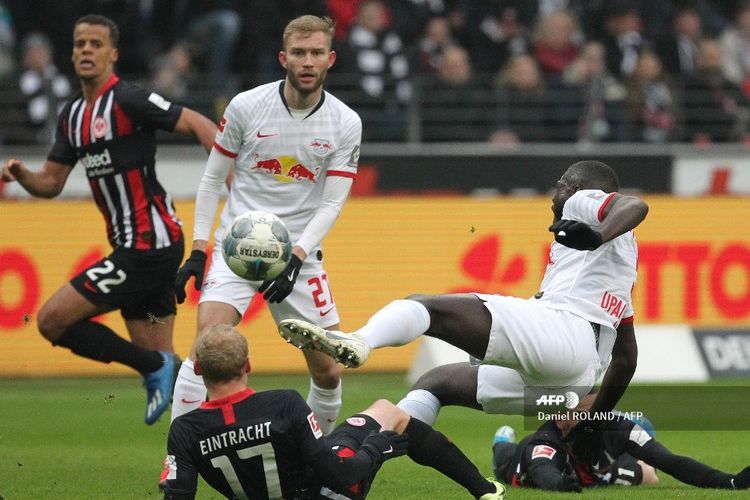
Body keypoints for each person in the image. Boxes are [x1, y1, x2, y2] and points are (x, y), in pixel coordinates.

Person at [279, 160, 648, 443]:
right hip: (570, 387)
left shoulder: (584, 203)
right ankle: (366, 453)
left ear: (578, 188)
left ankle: (359, 341)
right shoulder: (619, 275)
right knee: (439, 382)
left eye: (561, 185)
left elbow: (635, 205)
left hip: (563, 337)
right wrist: (592, 422)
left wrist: (596, 233)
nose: (556, 194)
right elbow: (626, 359)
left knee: (425, 307)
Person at [0, 14, 217, 425]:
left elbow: (195, 122)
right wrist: (24, 175)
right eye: (80, 43)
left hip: (149, 245)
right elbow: (51, 181)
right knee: (172, 372)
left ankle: (154, 368)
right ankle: (215, 429)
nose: (86, 50)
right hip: (134, 249)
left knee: (51, 321)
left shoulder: (129, 100)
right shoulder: (72, 116)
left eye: (95, 44)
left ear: (113, 54)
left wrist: (226, 174)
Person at [170, 14, 356, 459]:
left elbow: (331, 203)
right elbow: (213, 179)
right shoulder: (246, 107)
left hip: (299, 254)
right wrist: (198, 250)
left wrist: (294, 256)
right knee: (205, 348)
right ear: (283, 58)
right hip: (237, 248)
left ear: (330, 59)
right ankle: (177, 460)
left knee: (329, 371)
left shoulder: (345, 122)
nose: (307, 62)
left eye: (315, 53)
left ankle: (314, 462)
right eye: (298, 53)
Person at [163, 324, 506, 499]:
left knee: (380, 413)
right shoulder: (284, 403)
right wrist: (376, 449)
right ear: (247, 364)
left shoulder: (184, 430)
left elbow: (178, 495)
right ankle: (486, 491)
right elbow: (340, 475)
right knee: (390, 413)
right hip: (328, 491)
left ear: (199, 371)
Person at [491, 410, 750, 491]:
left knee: (649, 474)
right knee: (503, 453)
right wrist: (561, 484)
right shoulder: (547, 441)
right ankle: (501, 439)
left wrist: (731, 481)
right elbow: (541, 470)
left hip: (595, 471)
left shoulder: (622, 429)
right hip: (520, 457)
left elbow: (672, 463)